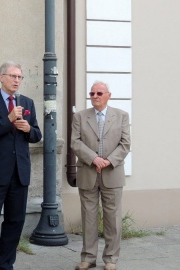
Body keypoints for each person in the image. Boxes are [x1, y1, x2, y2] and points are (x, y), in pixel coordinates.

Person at [0, 61, 42, 270]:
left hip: (19, 174)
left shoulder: (28, 102)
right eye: (12, 76)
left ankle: (6, 266)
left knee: (15, 224)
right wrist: (9, 119)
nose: (16, 80)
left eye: (19, 77)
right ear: (1, 77)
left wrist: (27, 129)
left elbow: (37, 135)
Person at [71, 81, 130, 270]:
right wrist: (94, 159)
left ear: (108, 95)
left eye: (99, 93)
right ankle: (88, 257)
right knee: (88, 217)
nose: (95, 96)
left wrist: (108, 161)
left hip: (112, 172)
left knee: (112, 218)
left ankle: (111, 258)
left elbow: (125, 144)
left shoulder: (121, 116)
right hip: (88, 172)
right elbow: (75, 142)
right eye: (92, 93)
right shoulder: (80, 116)